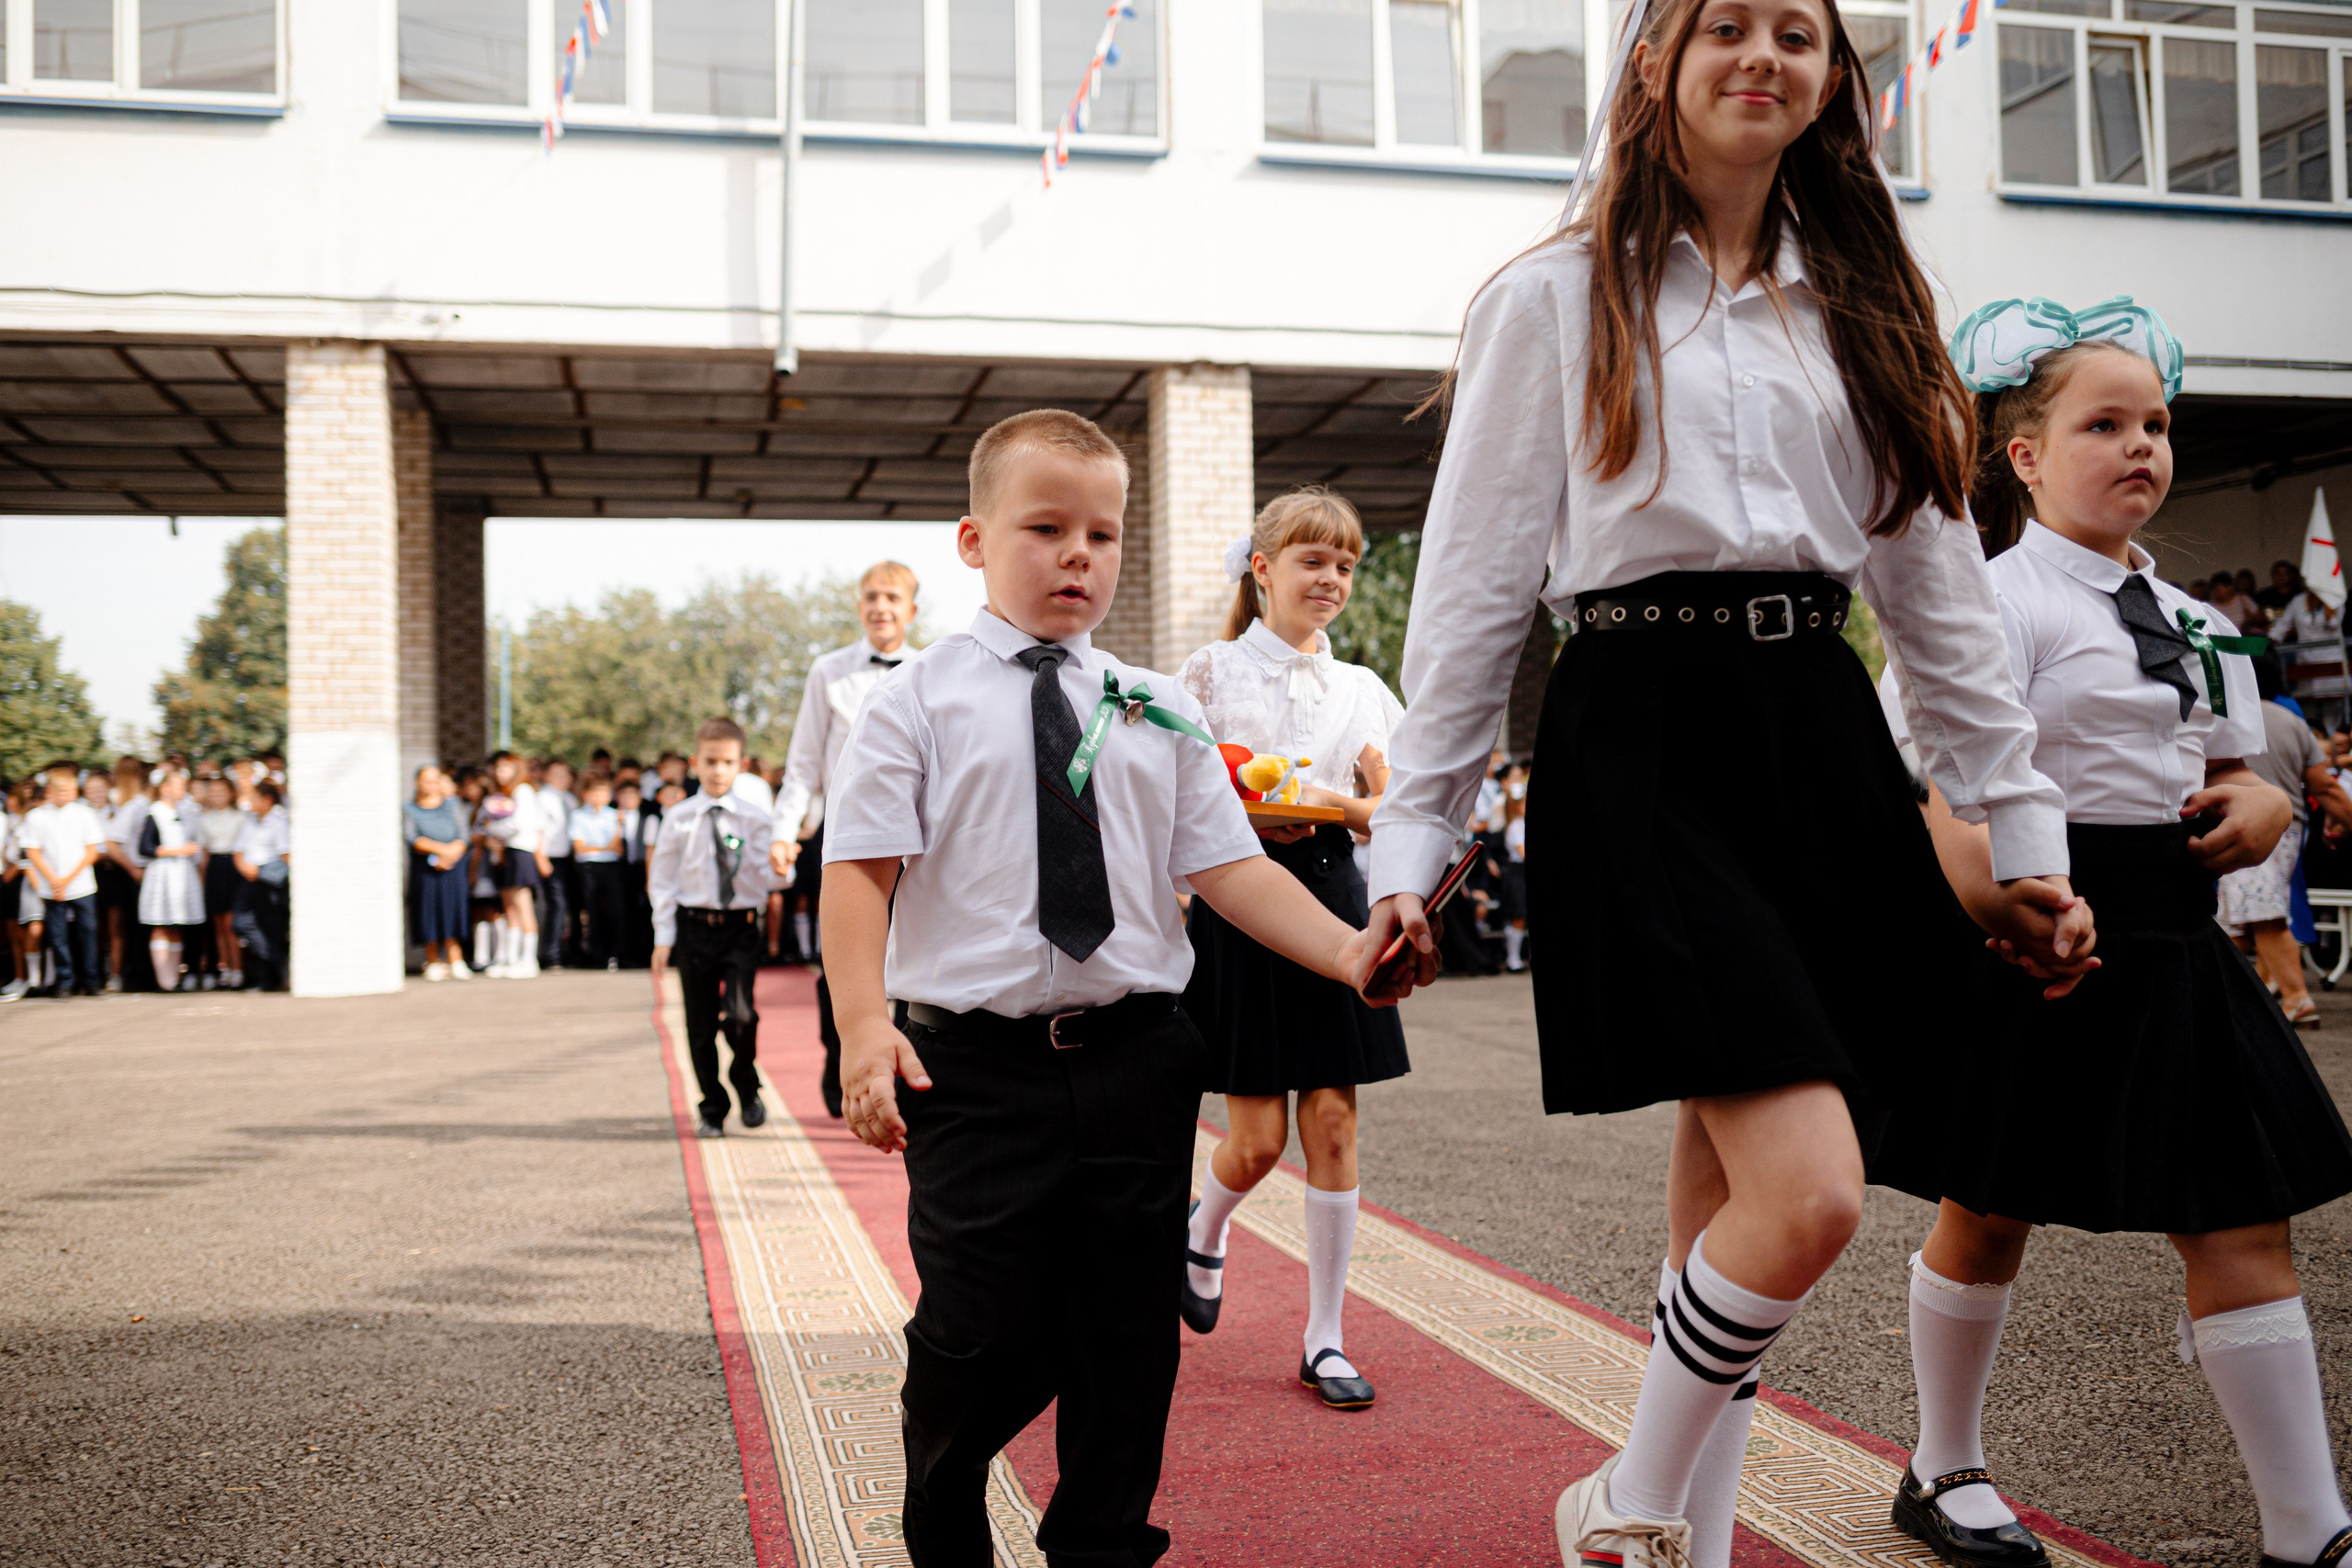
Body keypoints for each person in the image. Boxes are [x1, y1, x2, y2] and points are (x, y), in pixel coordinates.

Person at [1356, 2, 2094, 1559]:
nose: (1766, 55)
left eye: (1799, 33)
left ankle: (1680, 1538)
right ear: (1654, 64)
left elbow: (1939, 598)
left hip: (1817, 728)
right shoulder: (1556, 297)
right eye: (1727, 27)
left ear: (1836, 81)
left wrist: (2025, 836)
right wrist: (1410, 856)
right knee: (1810, 1188)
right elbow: (1476, 590)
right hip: (1641, 731)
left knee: (1727, 1187)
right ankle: (1622, 1501)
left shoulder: (1870, 303)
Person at [824, 409, 1388, 1568]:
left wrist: (1344, 952)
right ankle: (944, 1508)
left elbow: (1229, 867)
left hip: (1138, 1056)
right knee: (974, 1337)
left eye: (1102, 533)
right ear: (975, 541)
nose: (1077, 553)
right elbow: (858, 875)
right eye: (1045, 528)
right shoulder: (914, 702)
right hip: (975, 1072)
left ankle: (1100, 1544)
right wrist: (861, 1026)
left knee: (1128, 1346)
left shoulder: (1155, 705)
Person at [1872, 299, 2352, 1568]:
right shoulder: (1982, 601)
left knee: (2244, 1216)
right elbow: (1927, 788)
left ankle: (2309, 1530)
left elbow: (2241, 770)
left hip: (2179, 937)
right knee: (1989, 1210)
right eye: (2104, 423)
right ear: (2023, 454)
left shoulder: (2203, 622)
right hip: (2035, 924)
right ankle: (1944, 1460)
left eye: (2155, 423)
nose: (2140, 444)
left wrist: (2262, 802)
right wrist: (1998, 899)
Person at [1173, 487, 1410, 1410]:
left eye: (1346, 565)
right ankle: (1206, 1222)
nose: (1332, 580)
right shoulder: (1207, 672)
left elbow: (1389, 807)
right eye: (1313, 561)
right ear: (1263, 568)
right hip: (1238, 905)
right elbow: (1181, 797)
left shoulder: (1360, 689)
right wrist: (1249, 816)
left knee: (1336, 1124)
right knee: (1258, 1141)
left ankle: (1325, 1340)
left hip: (1335, 898)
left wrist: (1347, 813)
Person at [771, 558, 921, 1116]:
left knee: (910, 954)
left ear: (911, 610)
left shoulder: (932, 670)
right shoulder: (827, 673)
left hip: (914, 835)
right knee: (840, 955)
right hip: (843, 835)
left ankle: (908, 1066)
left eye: (891, 598)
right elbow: (803, 764)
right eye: (871, 597)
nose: (880, 607)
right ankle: (845, 1057)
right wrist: (786, 832)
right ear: (860, 607)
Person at [649, 718, 775, 1137]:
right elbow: (663, 881)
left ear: (741, 765)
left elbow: (769, 880)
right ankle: (712, 1107)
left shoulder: (755, 818)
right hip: (694, 927)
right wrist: (663, 937)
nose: (719, 770)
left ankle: (746, 1082)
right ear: (694, 763)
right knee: (700, 1024)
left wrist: (778, 867)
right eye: (710, 762)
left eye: (727, 762)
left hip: (740, 927)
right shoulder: (679, 818)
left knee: (741, 1015)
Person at [2219, 657, 2352, 1029]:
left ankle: (2297, 999)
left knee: (2263, 915)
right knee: (2237, 918)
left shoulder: (2224, 715)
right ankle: (2259, 995)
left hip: (2244, 827)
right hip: (2290, 831)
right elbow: (2324, 786)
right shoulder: (2294, 722)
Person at [23, 763, 110, 998]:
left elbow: (92, 851)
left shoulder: (85, 814)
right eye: (60, 791)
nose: (66, 795)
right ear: (49, 792)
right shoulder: (37, 817)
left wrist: (68, 878)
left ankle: (91, 979)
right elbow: (32, 852)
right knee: (58, 935)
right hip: (52, 886)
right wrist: (54, 880)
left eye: (70, 791)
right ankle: (65, 980)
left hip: (82, 883)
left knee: (88, 932)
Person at [136, 769, 206, 990]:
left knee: (177, 924)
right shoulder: (154, 813)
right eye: (177, 786)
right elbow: (145, 847)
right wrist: (177, 850)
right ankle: (163, 978)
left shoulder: (185, 812)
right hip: (163, 874)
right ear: (165, 788)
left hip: (182, 874)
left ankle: (174, 977)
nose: (182, 790)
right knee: (160, 923)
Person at [405, 765, 472, 982]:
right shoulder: (409, 808)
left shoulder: (452, 805)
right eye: (426, 780)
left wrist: (452, 854)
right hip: (426, 868)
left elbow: (463, 834)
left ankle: (455, 958)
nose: (431, 785)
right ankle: (432, 959)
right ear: (418, 783)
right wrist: (441, 851)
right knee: (428, 910)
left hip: (453, 867)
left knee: (453, 909)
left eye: (435, 780)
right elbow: (412, 837)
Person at [481, 751, 544, 979]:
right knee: (509, 907)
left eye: (506, 768)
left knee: (522, 904)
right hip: (505, 852)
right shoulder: (502, 794)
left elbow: (519, 824)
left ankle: (529, 959)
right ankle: (511, 957)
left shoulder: (523, 791)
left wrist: (492, 830)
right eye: (497, 769)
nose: (501, 773)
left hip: (520, 851)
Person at [232, 780, 291, 991]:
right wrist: (245, 868)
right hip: (249, 880)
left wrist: (262, 872)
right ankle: (273, 959)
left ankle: (270, 980)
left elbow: (286, 857)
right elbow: (238, 851)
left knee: (271, 929)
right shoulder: (249, 822)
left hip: (269, 883)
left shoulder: (279, 823)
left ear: (267, 800)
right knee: (241, 923)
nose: (250, 802)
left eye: (254, 798)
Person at [570, 773, 626, 971]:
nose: (600, 797)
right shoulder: (578, 816)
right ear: (586, 794)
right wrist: (602, 848)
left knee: (616, 910)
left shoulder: (615, 815)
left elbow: (617, 848)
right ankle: (596, 955)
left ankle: (616, 954)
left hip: (611, 867)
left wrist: (596, 847)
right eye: (596, 793)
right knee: (591, 911)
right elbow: (579, 848)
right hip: (587, 868)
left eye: (604, 793)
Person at [196, 775, 246, 989]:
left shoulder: (240, 817)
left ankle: (238, 969)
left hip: (233, 866)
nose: (217, 796)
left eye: (221, 792)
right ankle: (224, 969)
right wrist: (202, 878)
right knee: (217, 923)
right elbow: (204, 853)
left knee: (230, 923)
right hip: (215, 867)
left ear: (231, 794)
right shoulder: (204, 820)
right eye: (213, 792)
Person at [537, 758, 579, 969]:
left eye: (565, 774)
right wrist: (541, 857)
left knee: (568, 906)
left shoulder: (570, 799)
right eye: (557, 775)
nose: (562, 779)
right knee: (556, 904)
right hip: (550, 856)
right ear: (545, 776)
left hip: (569, 857)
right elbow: (539, 830)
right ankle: (550, 953)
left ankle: (567, 950)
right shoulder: (542, 798)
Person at [615, 776, 654, 967]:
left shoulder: (649, 819)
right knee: (624, 913)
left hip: (642, 869)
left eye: (633, 795)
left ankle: (645, 953)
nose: (629, 799)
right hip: (620, 871)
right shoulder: (612, 817)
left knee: (645, 911)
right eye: (625, 795)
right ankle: (625, 954)